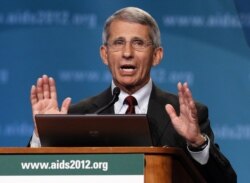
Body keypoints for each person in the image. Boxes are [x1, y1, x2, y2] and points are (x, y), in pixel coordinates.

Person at [29, 7, 236, 182]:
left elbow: (225, 180)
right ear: (104, 54)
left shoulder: (187, 115)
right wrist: (42, 137)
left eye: (138, 43)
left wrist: (197, 143)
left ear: (156, 55)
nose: (127, 52)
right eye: (118, 43)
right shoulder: (79, 116)